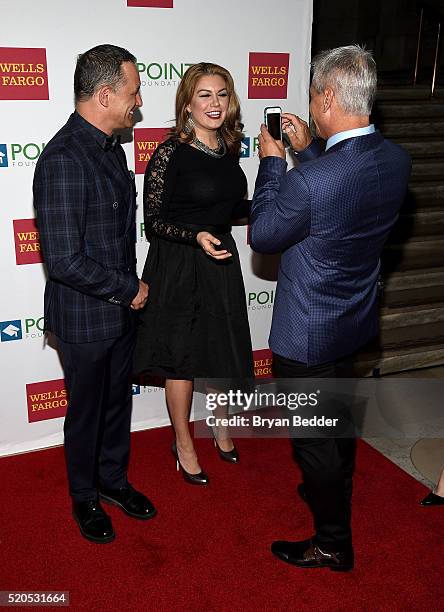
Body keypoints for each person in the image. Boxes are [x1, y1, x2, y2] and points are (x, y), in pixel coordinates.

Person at [250, 45, 411, 571]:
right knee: (339, 423)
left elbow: (266, 232)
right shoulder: (394, 159)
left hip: (306, 336)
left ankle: (332, 542)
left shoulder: (307, 180)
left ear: (325, 99)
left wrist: (275, 164)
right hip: (354, 321)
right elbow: (344, 198)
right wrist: (312, 151)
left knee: (314, 444)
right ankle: (333, 497)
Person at [33, 44, 156, 544]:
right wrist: (130, 289)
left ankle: (112, 480)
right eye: (132, 92)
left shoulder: (110, 148)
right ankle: (84, 496)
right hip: (86, 319)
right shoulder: (64, 158)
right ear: (104, 95)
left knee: (115, 406)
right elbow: (63, 261)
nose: (139, 101)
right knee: (86, 412)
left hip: (121, 313)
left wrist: (128, 297)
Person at [133, 62, 253, 485]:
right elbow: (155, 221)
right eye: (204, 94)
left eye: (222, 93)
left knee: (220, 350)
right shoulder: (169, 152)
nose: (215, 103)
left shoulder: (228, 147)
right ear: (187, 103)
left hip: (219, 259)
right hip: (180, 261)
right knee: (181, 358)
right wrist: (196, 233)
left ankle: (219, 428)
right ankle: (183, 442)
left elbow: (233, 208)